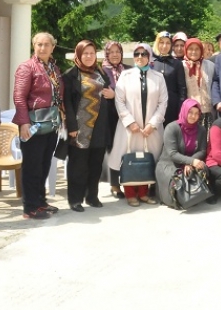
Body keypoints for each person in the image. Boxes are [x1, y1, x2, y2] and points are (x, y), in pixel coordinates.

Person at [108, 43, 169, 207]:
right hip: (130, 128)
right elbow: (119, 101)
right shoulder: (125, 76)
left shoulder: (158, 77)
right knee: (130, 158)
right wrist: (130, 122)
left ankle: (144, 193)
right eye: (136, 54)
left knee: (148, 158)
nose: (140, 57)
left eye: (143, 54)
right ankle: (130, 193)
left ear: (149, 57)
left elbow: (163, 103)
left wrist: (153, 124)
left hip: (151, 129)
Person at [13, 32, 62, 220]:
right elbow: (19, 97)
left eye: (46, 44)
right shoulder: (27, 67)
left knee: (44, 164)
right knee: (32, 166)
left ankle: (40, 202)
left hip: (50, 124)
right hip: (33, 124)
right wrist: (24, 123)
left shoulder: (53, 68)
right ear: (34, 46)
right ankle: (30, 207)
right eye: (39, 44)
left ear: (52, 47)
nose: (42, 48)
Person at [63, 40, 115, 212]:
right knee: (78, 165)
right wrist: (71, 126)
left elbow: (107, 93)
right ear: (78, 54)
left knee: (96, 163)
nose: (88, 56)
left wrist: (111, 95)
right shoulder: (71, 75)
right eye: (85, 53)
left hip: (99, 126)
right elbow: (67, 103)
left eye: (92, 53)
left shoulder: (100, 72)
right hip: (80, 127)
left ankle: (92, 196)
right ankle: (75, 199)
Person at [156, 99, 208, 209]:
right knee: (178, 186)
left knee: (204, 170)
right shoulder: (172, 128)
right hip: (170, 164)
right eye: (190, 112)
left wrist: (190, 162)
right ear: (184, 111)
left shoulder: (201, 130)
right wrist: (191, 161)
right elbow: (172, 154)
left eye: (196, 113)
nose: (193, 116)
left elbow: (202, 150)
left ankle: (195, 195)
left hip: (190, 162)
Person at [101, 41, 128, 198]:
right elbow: (104, 93)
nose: (115, 54)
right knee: (113, 150)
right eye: (111, 52)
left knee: (128, 149)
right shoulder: (101, 71)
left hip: (127, 115)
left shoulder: (129, 70)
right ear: (106, 54)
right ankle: (114, 184)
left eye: (118, 51)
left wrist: (115, 94)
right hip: (109, 117)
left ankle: (130, 180)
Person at [152, 31, 187, 128]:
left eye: (167, 43)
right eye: (161, 42)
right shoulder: (151, 63)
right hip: (154, 107)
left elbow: (182, 89)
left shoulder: (177, 64)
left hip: (172, 107)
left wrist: (181, 109)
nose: (164, 46)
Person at [182, 38, 215, 128]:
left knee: (206, 139)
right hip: (190, 112)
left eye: (197, 49)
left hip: (207, 111)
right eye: (191, 49)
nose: (194, 52)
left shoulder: (210, 65)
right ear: (186, 50)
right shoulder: (182, 66)